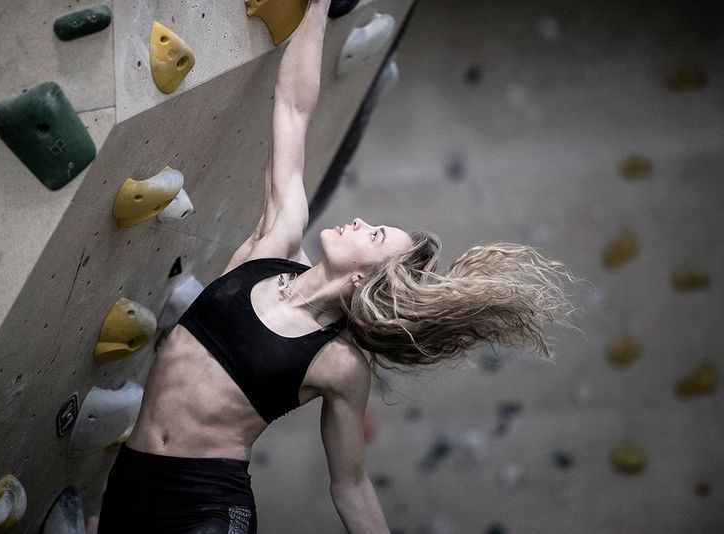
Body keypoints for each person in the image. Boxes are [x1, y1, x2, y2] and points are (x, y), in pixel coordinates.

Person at [97, 1, 582, 532]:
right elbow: (292, 110)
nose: (357, 220)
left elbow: (350, 484)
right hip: (132, 477)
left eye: (374, 235)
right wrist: (316, 7)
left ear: (364, 279)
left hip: (206, 506)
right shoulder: (272, 248)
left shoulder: (340, 364)